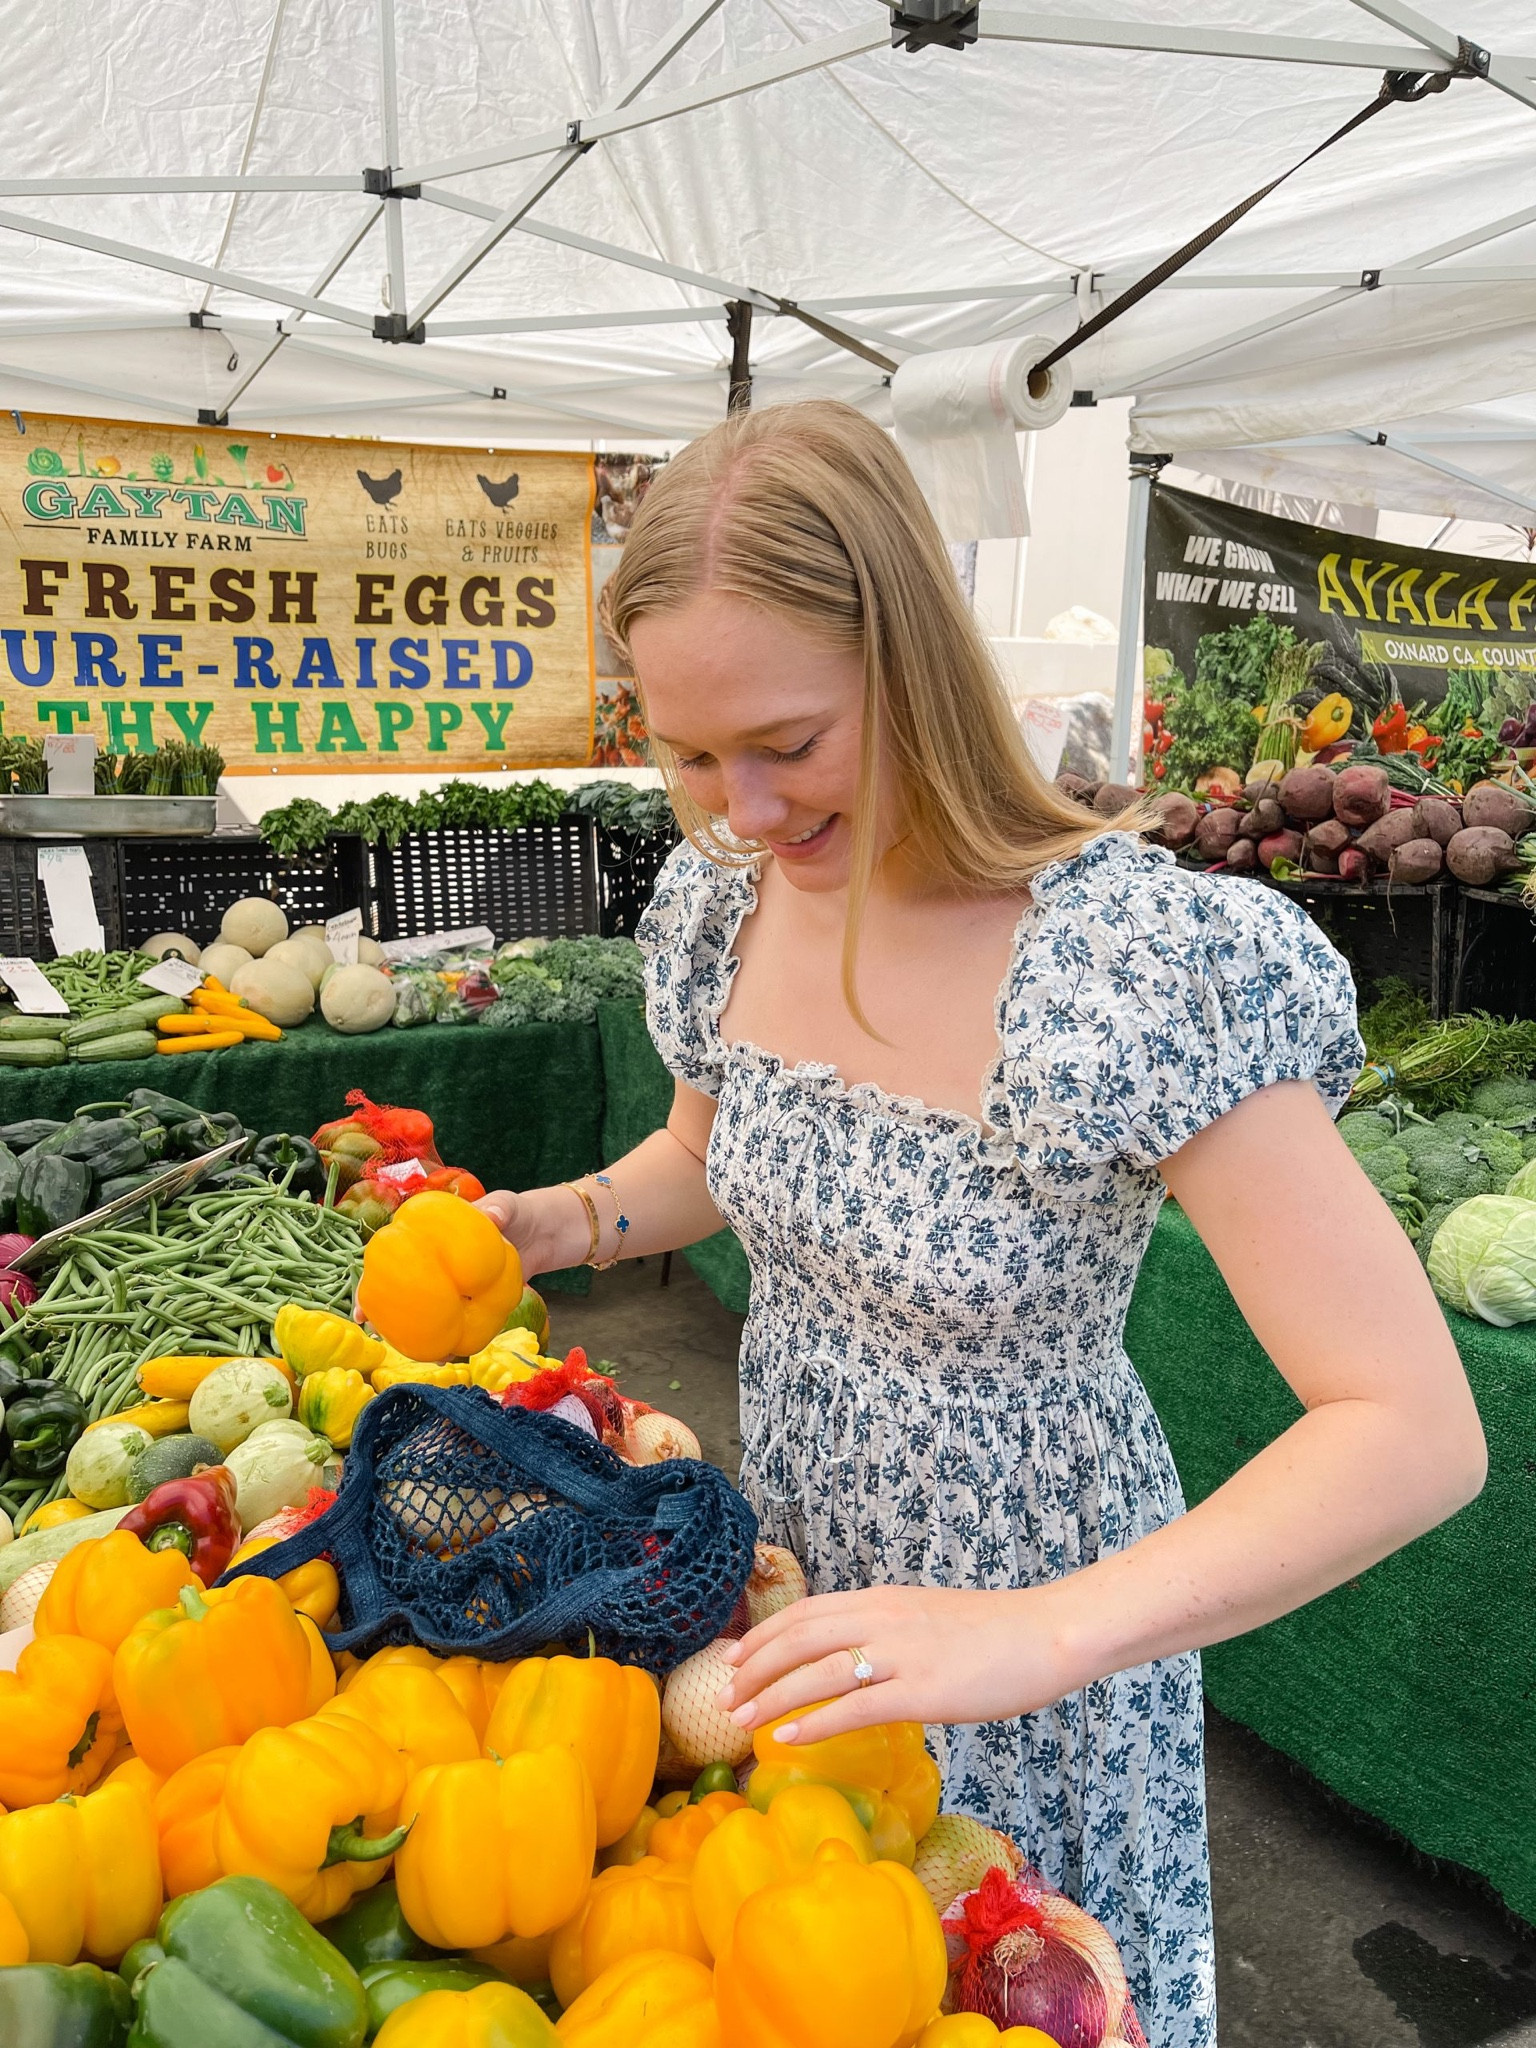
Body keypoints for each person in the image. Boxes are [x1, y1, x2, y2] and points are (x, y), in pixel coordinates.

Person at [478, 401, 1485, 2046]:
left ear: (916, 665)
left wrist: (1034, 1638)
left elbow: (1415, 1430)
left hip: (1050, 1624)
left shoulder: (1130, 966)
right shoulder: (726, 905)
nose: (734, 807)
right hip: (806, 1580)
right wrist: (562, 1218)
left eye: (787, 744)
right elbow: (705, 1162)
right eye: (685, 751)